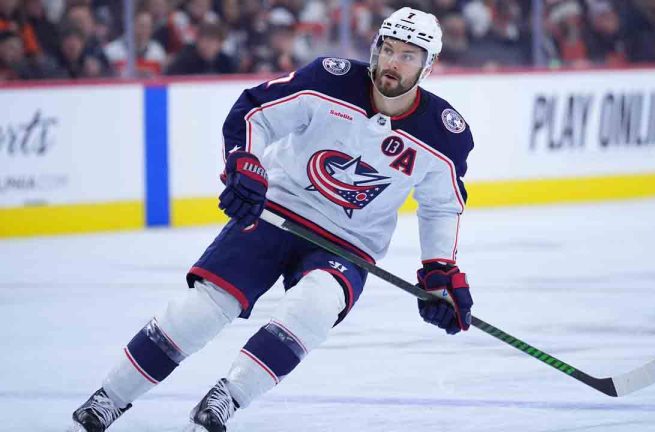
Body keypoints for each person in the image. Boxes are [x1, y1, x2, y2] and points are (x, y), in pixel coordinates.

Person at [70, 7, 474, 432]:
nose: (392, 62)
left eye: (408, 56)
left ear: (427, 66)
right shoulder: (329, 80)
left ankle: (227, 398)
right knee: (205, 308)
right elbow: (255, 112)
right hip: (277, 211)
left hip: (350, 243)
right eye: (387, 49)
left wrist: (439, 268)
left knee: (314, 306)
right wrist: (245, 162)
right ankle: (107, 400)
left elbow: (441, 204)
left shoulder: (444, 134)